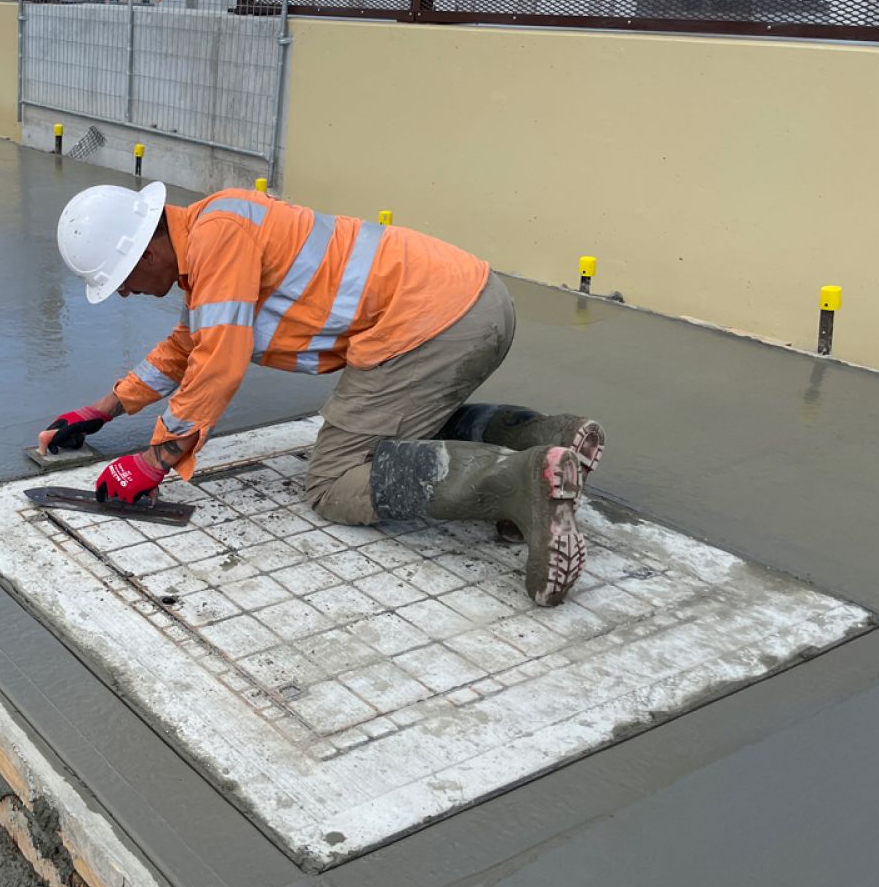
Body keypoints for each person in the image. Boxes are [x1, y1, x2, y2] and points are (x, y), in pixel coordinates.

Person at [40, 182, 605, 607]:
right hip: (471, 304)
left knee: (335, 482)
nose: (126, 295)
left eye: (122, 281)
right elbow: (186, 347)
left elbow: (218, 362)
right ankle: (544, 437)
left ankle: (519, 483)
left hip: (429, 327)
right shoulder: (215, 233)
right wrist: (101, 411)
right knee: (400, 423)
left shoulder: (219, 240)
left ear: (145, 251)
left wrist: (154, 459)